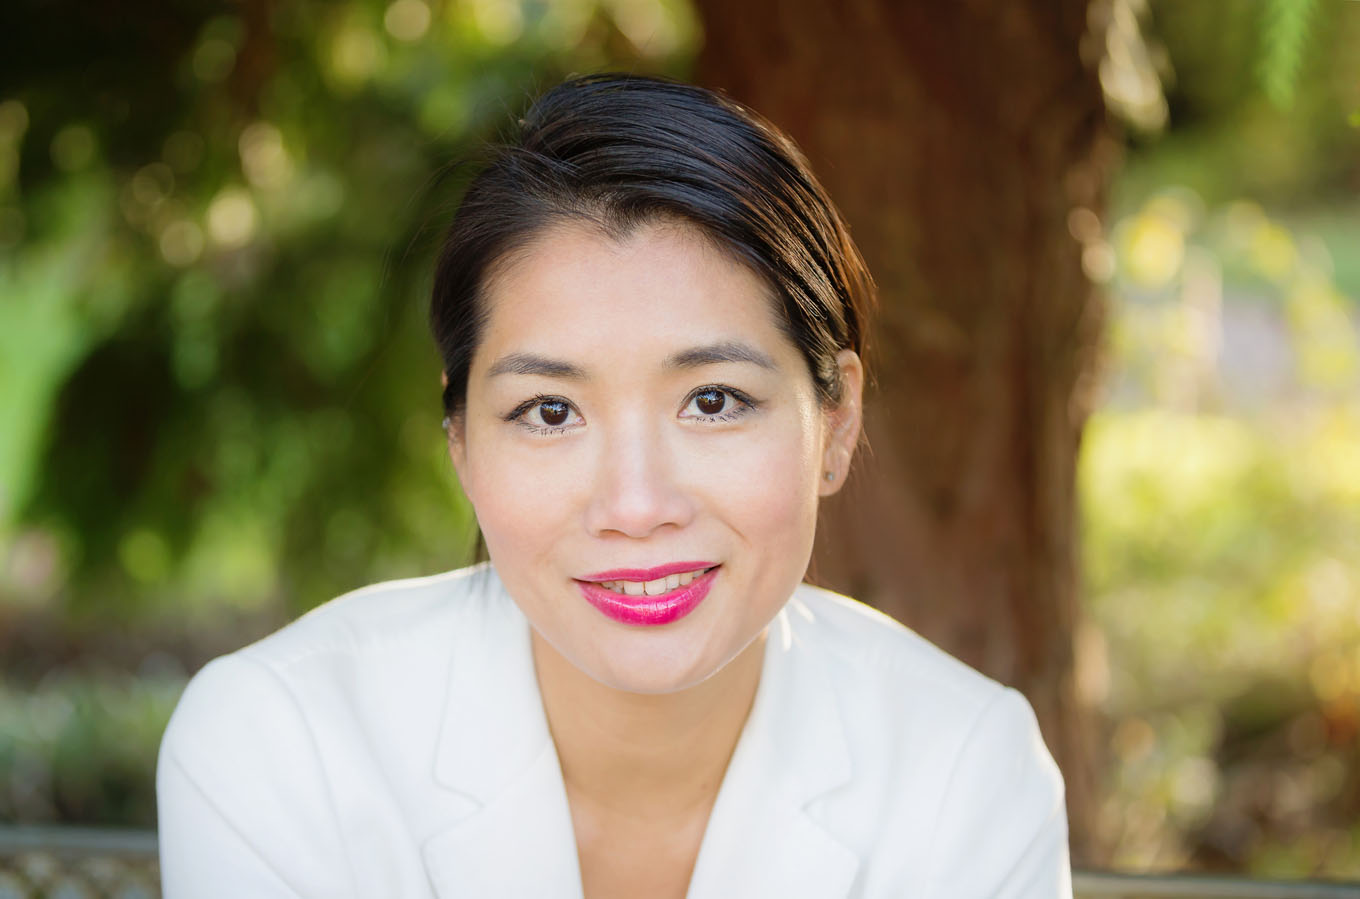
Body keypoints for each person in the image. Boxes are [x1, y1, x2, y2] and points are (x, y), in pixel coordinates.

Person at [157, 74, 1072, 898]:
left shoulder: (964, 770)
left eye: (713, 400)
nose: (635, 505)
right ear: (461, 441)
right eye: (551, 412)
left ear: (835, 422)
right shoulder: (283, 743)